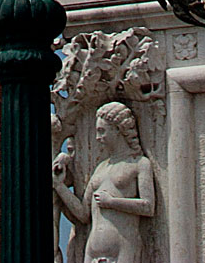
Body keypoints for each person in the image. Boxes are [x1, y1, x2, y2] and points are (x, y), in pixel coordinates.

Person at [52, 102, 156, 263]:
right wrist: (59, 186)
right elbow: (82, 214)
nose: (98, 137)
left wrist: (113, 202)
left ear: (117, 129)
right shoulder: (100, 168)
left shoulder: (139, 163)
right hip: (92, 248)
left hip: (124, 245)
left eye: (102, 131)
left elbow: (148, 206)